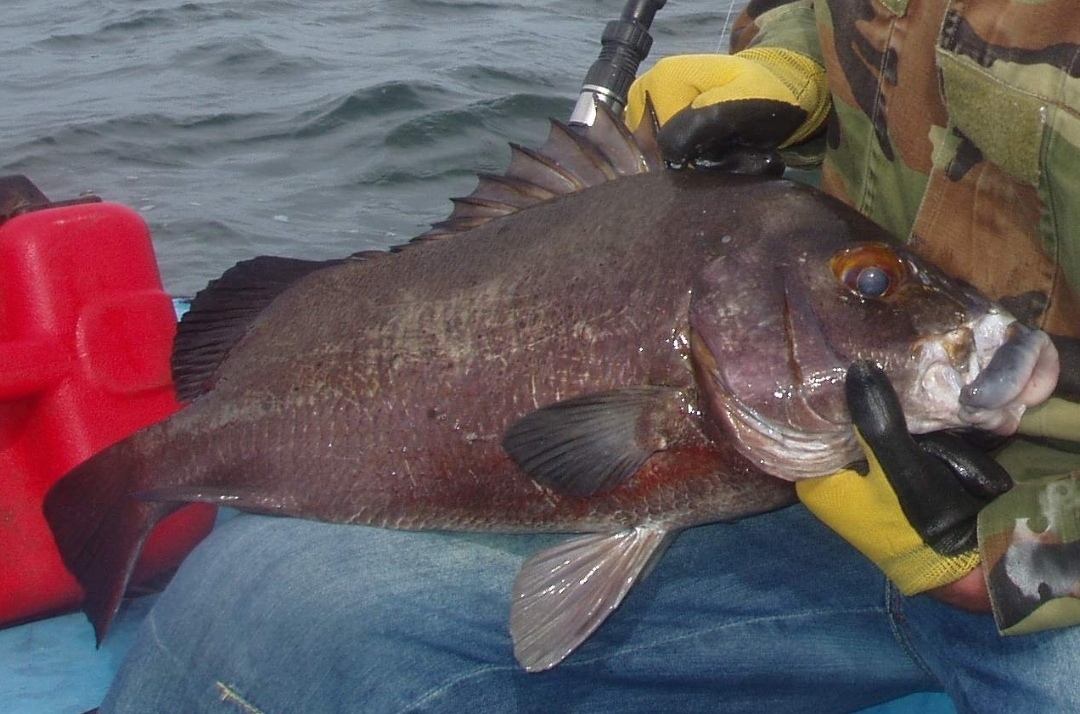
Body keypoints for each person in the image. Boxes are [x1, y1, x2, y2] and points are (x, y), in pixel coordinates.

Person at [100, 1, 1080, 712]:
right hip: (829, 487)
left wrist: (1024, 565)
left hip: (1048, 569)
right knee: (261, 608)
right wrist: (788, 68)